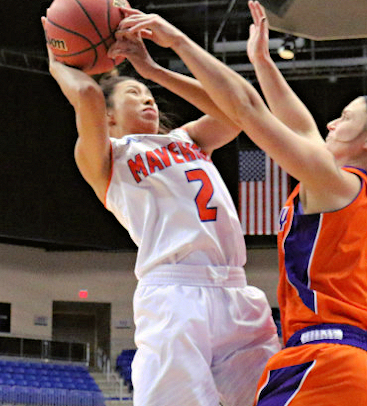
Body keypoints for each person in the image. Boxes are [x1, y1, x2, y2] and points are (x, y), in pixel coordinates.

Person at [114, 2, 367, 405]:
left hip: (328, 364)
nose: (331, 123)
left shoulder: (333, 182)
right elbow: (297, 123)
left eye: (346, 118)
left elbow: (246, 108)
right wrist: (260, 61)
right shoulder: (360, 190)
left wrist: (176, 41)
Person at [42, 13, 280, 406]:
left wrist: (154, 70)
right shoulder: (107, 159)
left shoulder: (187, 138)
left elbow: (237, 113)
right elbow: (86, 95)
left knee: (276, 399)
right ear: (109, 117)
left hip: (236, 291)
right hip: (175, 294)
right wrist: (57, 61)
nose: (147, 97)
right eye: (134, 94)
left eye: (148, 93)